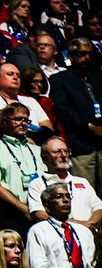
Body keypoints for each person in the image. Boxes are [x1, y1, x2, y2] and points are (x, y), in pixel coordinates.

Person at [49, 38, 102, 193]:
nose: (86, 58)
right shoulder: (59, 79)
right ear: (71, 56)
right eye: (81, 54)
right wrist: (90, 126)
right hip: (81, 143)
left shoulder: (98, 77)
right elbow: (62, 110)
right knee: (85, 192)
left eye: (88, 54)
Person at [27, 182, 96, 268]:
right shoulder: (38, 230)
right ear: (47, 206)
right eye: (59, 196)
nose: (66, 200)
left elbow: (92, 265)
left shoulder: (84, 231)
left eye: (68, 196)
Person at [28, 136, 102, 229]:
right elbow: (38, 213)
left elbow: (98, 207)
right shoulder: (37, 184)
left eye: (66, 151)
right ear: (45, 158)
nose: (63, 155)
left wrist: (90, 224)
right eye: (57, 152)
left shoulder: (82, 181)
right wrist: (76, 225)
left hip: (86, 236)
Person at [0, 64, 53, 136]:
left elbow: (47, 126)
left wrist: (34, 140)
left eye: (18, 75)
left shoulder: (31, 101)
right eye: (10, 74)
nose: (15, 77)